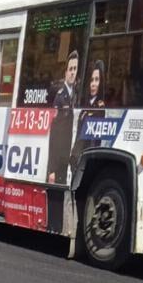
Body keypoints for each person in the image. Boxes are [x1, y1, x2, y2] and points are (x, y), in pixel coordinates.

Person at [47, 50, 78, 184]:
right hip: (58, 161)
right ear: (65, 72)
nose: (72, 72)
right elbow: (54, 134)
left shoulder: (76, 95)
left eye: (75, 69)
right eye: (70, 69)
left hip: (67, 158)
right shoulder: (59, 96)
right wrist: (52, 169)